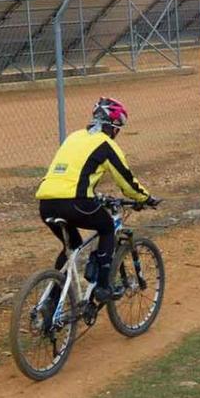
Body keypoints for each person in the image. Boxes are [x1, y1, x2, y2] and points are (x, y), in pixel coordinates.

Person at [36, 97, 160, 302]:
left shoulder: (74, 137)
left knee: (72, 245)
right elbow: (127, 181)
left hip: (47, 203)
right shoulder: (106, 144)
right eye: (118, 128)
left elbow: (72, 172)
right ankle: (103, 286)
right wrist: (146, 198)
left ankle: (51, 300)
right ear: (113, 126)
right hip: (75, 201)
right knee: (107, 227)